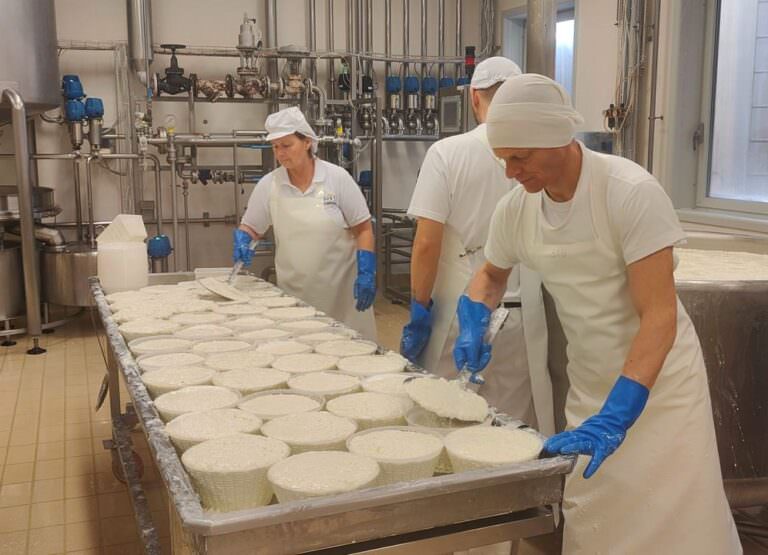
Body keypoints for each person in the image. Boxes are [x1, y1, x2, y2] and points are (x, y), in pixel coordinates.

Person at [454, 73, 740, 553]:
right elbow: (490, 275)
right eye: (503, 160)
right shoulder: (517, 209)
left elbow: (659, 316)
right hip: (591, 381)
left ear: (557, 139)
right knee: (597, 509)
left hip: (660, 386)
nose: (510, 172)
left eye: (519, 157)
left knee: (676, 515)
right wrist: (474, 315)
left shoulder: (628, 191)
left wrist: (620, 413)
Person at [400, 56, 549, 428]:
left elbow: (426, 244)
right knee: (510, 423)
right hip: (521, 308)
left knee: (446, 419)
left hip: (458, 311)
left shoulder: (447, 153)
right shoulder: (544, 155)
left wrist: (419, 309)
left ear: (473, 98)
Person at [234, 107, 377, 340]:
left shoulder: (337, 178)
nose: (280, 153)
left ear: (307, 142)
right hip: (295, 299)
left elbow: (363, 228)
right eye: (275, 147)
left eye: (286, 145)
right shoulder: (270, 185)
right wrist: (243, 239)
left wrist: (367, 271)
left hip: (342, 297)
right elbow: (251, 227)